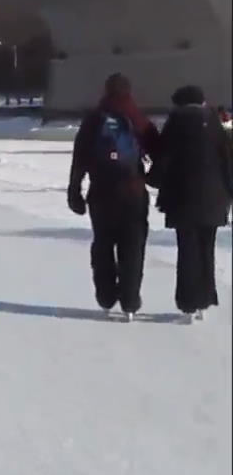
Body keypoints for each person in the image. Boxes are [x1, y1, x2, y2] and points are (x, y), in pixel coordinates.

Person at [67, 73, 161, 321]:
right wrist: (151, 178)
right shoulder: (137, 118)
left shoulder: (94, 119)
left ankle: (106, 296)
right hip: (132, 192)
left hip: (101, 193)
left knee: (103, 244)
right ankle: (130, 300)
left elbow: (80, 157)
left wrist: (74, 191)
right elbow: (160, 151)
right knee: (133, 247)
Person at [151, 85, 233, 321]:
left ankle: (188, 303)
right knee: (207, 249)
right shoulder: (214, 122)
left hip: (183, 198)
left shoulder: (176, 121)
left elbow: (165, 156)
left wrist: (153, 179)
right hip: (215, 198)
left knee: (187, 251)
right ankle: (204, 301)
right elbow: (226, 159)